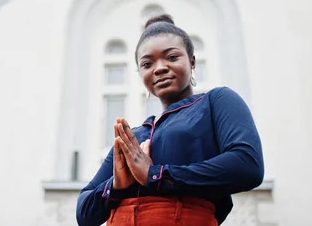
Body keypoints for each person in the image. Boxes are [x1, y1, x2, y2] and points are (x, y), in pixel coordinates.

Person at [76, 14, 264, 226]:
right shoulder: (133, 137)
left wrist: (155, 175)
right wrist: (116, 185)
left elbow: (248, 165)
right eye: (147, 64)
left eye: (172, 57)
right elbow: (84, 214)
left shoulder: (214, 102)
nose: (159, 68)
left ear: (192, 62)